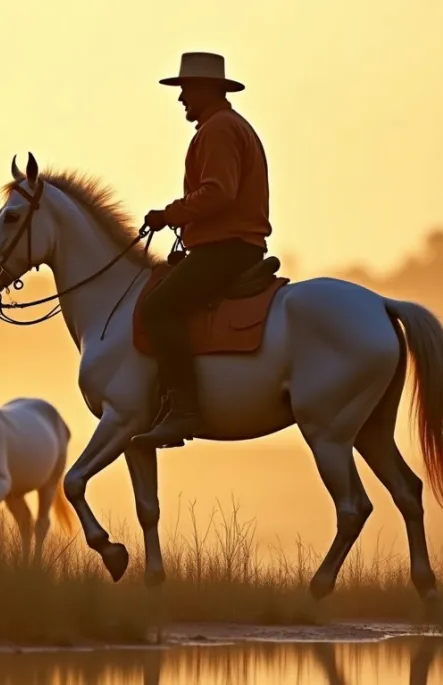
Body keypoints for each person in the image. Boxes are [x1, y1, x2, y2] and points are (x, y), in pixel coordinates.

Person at [133, 51, 273, 449]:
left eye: (186, 90)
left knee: (158, 307)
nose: (181, 99)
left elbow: (218, 192)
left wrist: (170, 214)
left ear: (207, 90)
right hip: (230, 246)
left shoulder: (218, 130)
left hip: (226, 249)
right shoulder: (227, 126)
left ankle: (183, 411)